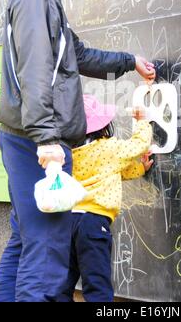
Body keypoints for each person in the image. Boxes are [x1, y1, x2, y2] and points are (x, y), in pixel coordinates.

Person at [0, 0, 155, 303]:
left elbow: (77, 53)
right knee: (47, 253)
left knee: (24, 240)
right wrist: (48, 144)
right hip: (38, 145)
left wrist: (128, 60)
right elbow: (35, 71)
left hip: (30, 140)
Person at [60, 95, 154, 302]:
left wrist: (139, 168)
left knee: (64, 281)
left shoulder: (69, 153)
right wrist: (141, 120)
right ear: (103, 126)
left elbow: (113, 172)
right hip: (93, 222)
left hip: (67, 221)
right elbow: (139, 144)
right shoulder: (108, 148)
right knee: (97, 282)